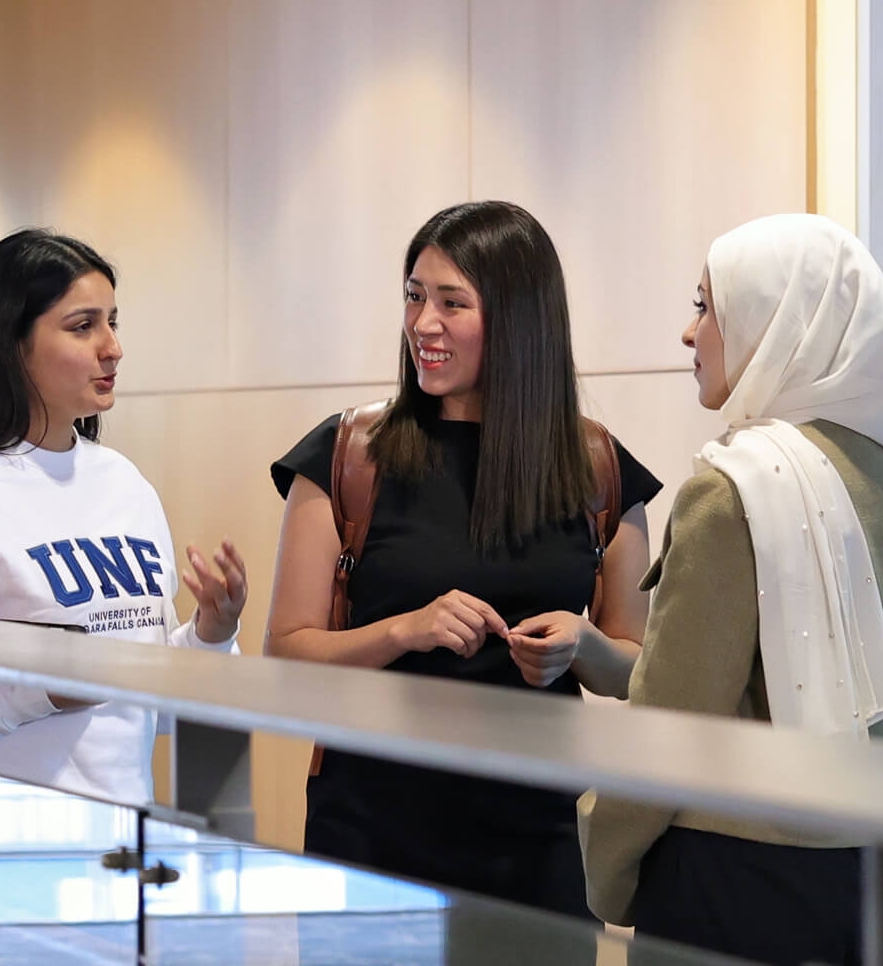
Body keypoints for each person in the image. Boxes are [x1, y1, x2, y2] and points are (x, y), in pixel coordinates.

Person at [264, 201, 662, 925]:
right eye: (414, 297)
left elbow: (637, 664)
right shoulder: (347, 455)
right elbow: (285, 654)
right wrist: (402, 631)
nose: (423, 324)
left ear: (519, 319)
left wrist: (584, 646)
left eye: (452, 303)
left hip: (537, 841)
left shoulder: (597, 467)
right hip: (370, 833)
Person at [579, 214, 883, 966]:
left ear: (775, 322)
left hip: (728, 882)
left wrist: (603, 863)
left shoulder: (731, 490)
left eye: (707, 306)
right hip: (870, 874)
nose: (689, 333)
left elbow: (672, 725)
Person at [0, 228, 247, 806]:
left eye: (113, 322)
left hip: (119, 846)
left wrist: (211, 633)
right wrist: (42, 691)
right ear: (11, 344)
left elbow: (141, 703)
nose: (112, 348)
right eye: (83, 326)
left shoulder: (124, 484)